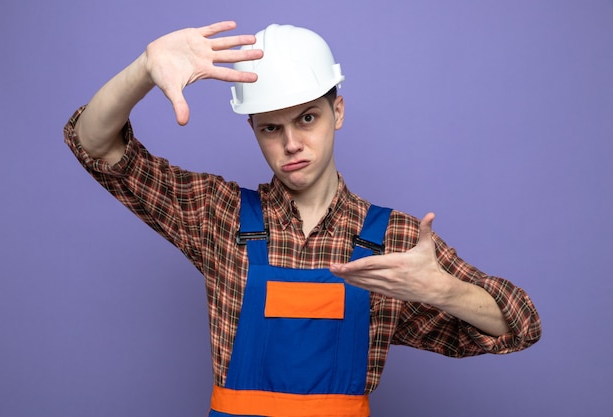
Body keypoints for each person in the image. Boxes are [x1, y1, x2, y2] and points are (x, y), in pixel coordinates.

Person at [64, 21, 541, 417]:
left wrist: (443, 291)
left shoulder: (394, 238)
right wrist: (145, 69)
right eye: (271, 127)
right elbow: (94, 144)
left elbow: (520, 324)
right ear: (252, 128)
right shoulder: (217, 214)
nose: (290, 143)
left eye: (307, 118)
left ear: (338, 111)